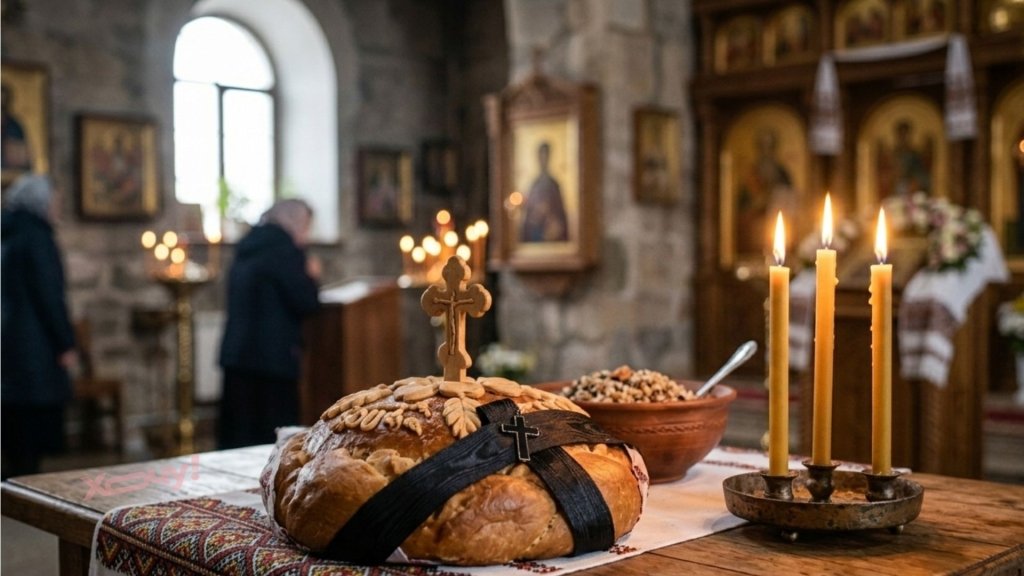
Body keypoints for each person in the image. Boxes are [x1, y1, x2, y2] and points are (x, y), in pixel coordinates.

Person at [217, 198, 321, 448]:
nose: (306, 235)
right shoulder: (285, 249)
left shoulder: (248, 244)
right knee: (270, 440)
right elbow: (305, 301)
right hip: (273, 359)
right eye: (306, 226)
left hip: (237, 354)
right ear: (296, 222)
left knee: (238, 436)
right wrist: (312, 276)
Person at [1, 174, 76, 479]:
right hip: (34, 343)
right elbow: (49, 295)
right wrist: (65, 343)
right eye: (54, 201)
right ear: (40, 202)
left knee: (14, 422)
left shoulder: (8, 231)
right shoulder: (37, 237)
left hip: (7, 339)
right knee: (30, 428)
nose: (57, 207)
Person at [520, 142, 569, 243]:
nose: (543, 160)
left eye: (545, 156)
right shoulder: (534, 184)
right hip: (535, 232)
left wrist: (550, 214)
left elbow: (560, 214)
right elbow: (528, 216)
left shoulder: (554, 184)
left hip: (552, 232)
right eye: (541, 157)